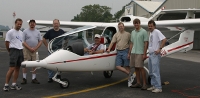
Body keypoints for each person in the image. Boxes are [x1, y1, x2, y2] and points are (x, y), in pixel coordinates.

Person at [107, 22, 133, 87]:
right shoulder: (116, 34)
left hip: (126, 51)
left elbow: (131, 43)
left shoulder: (128, 34)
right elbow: (112, 42)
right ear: (118, 28)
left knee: (127, 66)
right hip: (119, 52)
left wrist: (129, 52)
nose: (121, 27)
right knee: (118, 66)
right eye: (119, 27)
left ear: (123, 27)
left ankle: (130, 81)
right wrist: (109, 49)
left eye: (122, 26)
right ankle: (130, 74)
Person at [3, 18, 23, 91]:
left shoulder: (21, 33)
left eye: (20, 24)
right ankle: (6, 85)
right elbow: (7, 42)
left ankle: (14, 84)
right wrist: (10, 51)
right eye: (18, 24)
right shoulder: (10, 32)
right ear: (15, 23)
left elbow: (21, 42)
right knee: (12, 68)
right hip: (13, 50)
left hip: (20, 50)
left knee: (17, 68)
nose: (19, 25)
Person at [147, 20, 166, 93]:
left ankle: (159, 87)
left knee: (155, 71)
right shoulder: (150, 33)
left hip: (155, 54)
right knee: (151, 71)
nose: (150, 27)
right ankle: (154, 85)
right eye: (149, 26)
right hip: (150, 54)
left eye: (151, 26)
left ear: (154, 26)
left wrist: (160, 49)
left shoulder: (157, 31)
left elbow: (164, 39)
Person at [129, 18, 149, 90]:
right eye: (135, 23)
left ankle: (144, 84)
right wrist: (129, 53)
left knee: (141, 67)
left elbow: (146, 43)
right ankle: (138, 82)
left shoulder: (144, 31)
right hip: (133, 52)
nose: (136, 24)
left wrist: (144, 53)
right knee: (136, 67)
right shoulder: (133, 32)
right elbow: (131, 43)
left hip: (140, 52)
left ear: (139, 23)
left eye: (137, 23)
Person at [21, 19, 42, 84]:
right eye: (31, 23)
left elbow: (40, 41)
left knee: (34, 64)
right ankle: (24, 78)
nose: (32, 24)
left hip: (35, 50)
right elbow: (23, 41)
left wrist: (35, 48)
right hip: (27, 50)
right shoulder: (25, 31)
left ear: (35, 24)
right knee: (25, 63)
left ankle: (34, 78)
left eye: (33, 23)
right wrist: (29, 48)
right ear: (29, 24)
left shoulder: (38, 32)